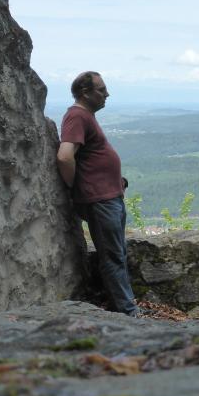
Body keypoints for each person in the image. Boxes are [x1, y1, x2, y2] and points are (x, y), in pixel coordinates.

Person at [56, 71, 138, 316]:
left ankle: (125, 305)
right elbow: (64, 156)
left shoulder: (85, 116)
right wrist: (73, 186)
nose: (107, 94)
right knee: (112, 257)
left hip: (109, 196)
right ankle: (127, 312)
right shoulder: (76, 116)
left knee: (118, 253)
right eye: (101, 90)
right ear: (85, 93)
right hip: (100, 200)